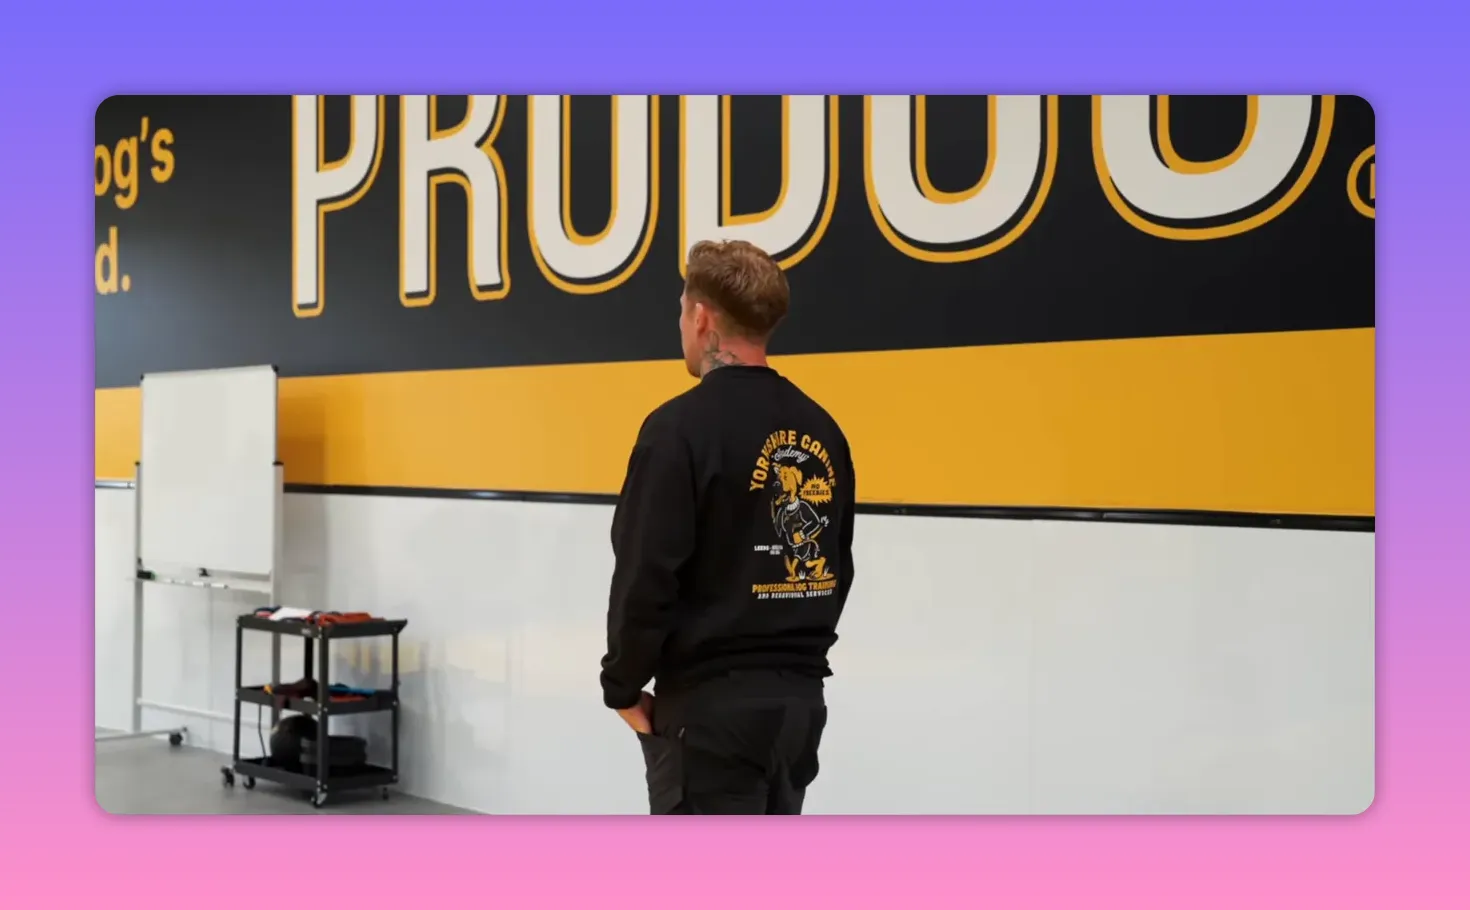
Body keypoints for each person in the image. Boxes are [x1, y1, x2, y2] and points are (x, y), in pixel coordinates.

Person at [599, 239, 857, 815]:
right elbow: (837, 565)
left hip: (709, 715)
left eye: (681, 309)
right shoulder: (822, 430)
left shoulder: (676, 430)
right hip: (798, 709)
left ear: (701, 316)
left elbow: (645, 570)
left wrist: (622, 685)